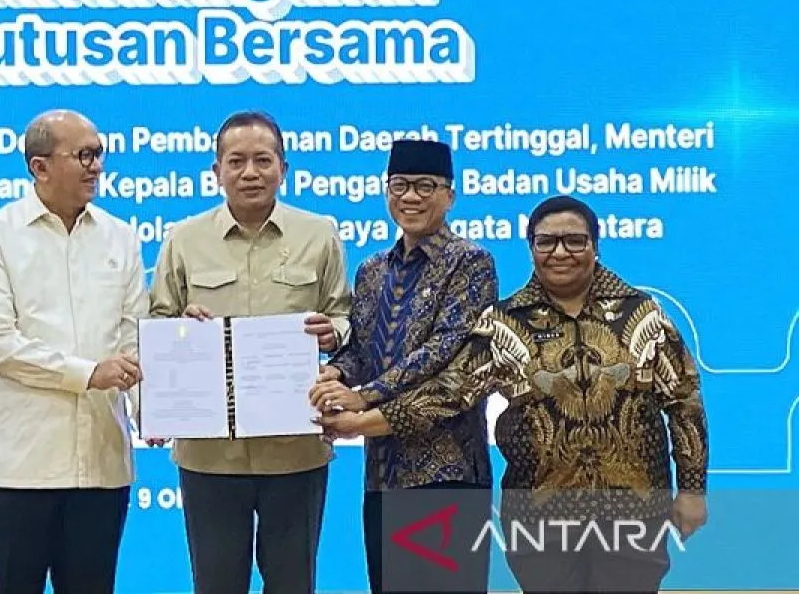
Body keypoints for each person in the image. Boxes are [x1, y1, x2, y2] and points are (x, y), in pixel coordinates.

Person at [322, 195, 710, 594]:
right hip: (540, 517)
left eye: (574, 241)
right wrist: (360, 422)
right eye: (546, 241)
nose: (560, 252)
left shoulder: (643, 313)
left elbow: (684, 402)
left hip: (635, 512)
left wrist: (692, 489)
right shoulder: (504, 324)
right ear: (531, 248)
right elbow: (448, 392)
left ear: (595, 246)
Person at [147, 110, 352, 594]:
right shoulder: (184, 238)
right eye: (236, 161)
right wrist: (182, 331)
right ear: (216, 171)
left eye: (263, 160)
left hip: (295, 450)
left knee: (293, 583)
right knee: (216, 584)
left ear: (284, 168)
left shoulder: (318, 234)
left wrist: (334, 332)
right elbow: (156, 324)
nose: (250, 172)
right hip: (210, 454)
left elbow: (344, 315)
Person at [0, 109, 147, 594]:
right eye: (83, 155)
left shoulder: (121, 237)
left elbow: (134, 339)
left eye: (99, 154)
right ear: (39, 167)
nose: (96, 166)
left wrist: (157, 410)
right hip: (19, 469)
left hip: (101, 465)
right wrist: (88, 374)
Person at [310, 139, 498, 594]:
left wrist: (363, 397)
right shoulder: (373, 270)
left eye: (425, 186)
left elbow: (443, 349)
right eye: (400, 185)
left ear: (449, 195)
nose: (410, 196)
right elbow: (360, 349)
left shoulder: (470, 263)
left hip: (447, 471)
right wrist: (335, 373)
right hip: (382, 473)